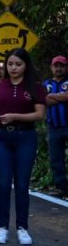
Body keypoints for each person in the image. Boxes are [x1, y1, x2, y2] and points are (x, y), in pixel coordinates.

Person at [0, 48, 46, 245]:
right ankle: (2, 227)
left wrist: (15, 116)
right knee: (3, 184)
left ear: (26, 66)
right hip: (1, 138)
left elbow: (39, 115)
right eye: (10, 64)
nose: (13, 68)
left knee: (22, 185)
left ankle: (22, 228)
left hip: (26, 137)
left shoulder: (35, 87)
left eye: (18, 64)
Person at [44, 55, 68, 198]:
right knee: (56, 158)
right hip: (53, 126)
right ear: (52, 67)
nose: (58, 68)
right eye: (56, 66)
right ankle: (61, 187)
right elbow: (44, 100)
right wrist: (62, 96)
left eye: (62, 66)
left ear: (66, 67)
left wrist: (52, 96)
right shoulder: (46, 83)